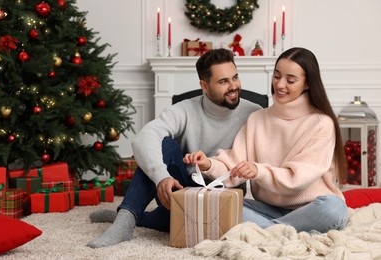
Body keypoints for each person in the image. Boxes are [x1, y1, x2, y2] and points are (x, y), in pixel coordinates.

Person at [86, 48, 262, 248]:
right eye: (223, 82)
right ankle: (125, 221)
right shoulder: (186, 109)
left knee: (166, 222)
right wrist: (162, 176)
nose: (233, 86)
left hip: (225, 196)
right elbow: (144, 137)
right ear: (204, 86)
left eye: (235, 77)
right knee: (164, 145)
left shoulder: (254, 113)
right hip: (183, 191)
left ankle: (129, 214)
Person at [184, 47, 349, 233]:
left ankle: (267, 231)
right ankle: (279, 231)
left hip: (313, 208)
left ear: (307, 84)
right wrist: (209, 164)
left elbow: (297, 180)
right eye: (277, 76)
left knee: (334, 209)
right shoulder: (257, 118)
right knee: (213, 204)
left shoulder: (321, 123)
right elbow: (233, 165)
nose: (279, 85)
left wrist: (258, 171)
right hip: (269, 210)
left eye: (291, 80)